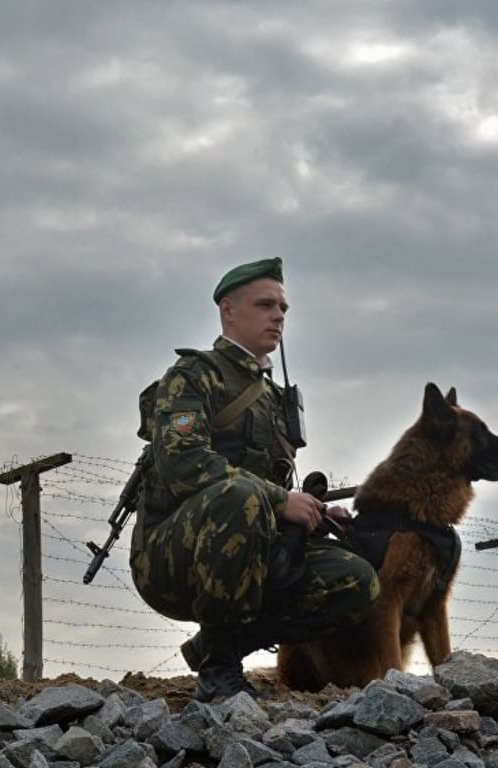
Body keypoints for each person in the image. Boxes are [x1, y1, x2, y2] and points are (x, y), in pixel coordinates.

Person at [128, 257, 380, 701]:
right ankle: (220, 674)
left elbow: (275, 489)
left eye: (283, 307)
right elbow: (182, 464)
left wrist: (314, 513)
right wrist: (278, 499)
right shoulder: (192, 376)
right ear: (228, 309)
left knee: (357, 579)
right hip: (171, 556)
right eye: (265, 305)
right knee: (239, 496)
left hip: (253, 546)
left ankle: (215, 645)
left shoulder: (272, 396)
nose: (279, 315)